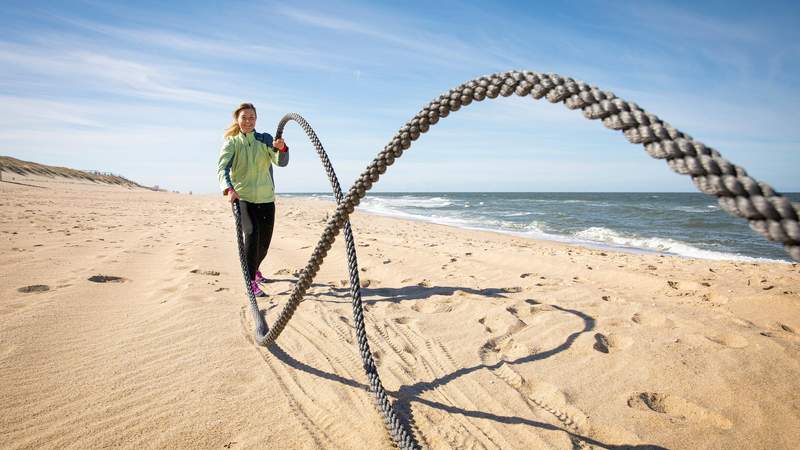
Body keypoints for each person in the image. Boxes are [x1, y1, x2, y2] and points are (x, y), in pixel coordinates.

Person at [217, 102, 289, 297]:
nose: (248, 121)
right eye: (244, 118)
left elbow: (281, 162)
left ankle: (255, 269)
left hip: (266, 199)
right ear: (237, 120)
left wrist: (282, 148)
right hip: (244, 198)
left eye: (252, 117)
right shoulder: (232, 143)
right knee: (251, 234)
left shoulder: (265, 139)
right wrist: (228, 189)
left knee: (264, 244)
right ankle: (250, 282)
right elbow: (222, 169)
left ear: (256, 119)